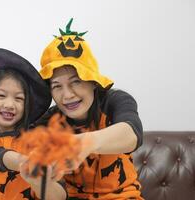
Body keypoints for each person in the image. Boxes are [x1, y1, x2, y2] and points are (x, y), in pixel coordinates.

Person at [36, 18, 144, 199]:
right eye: (57, 86)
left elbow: (132, 134)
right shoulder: (48, 122)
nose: (67, 95)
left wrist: (82, 143)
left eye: (76, 82)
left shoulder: (115, 101)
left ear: (93, 82)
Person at [0, 48, 67, 200]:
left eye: (19, 98)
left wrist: (38, 179)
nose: (10, 104)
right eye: (1, 95)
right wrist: (25, 163)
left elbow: (59, 196)